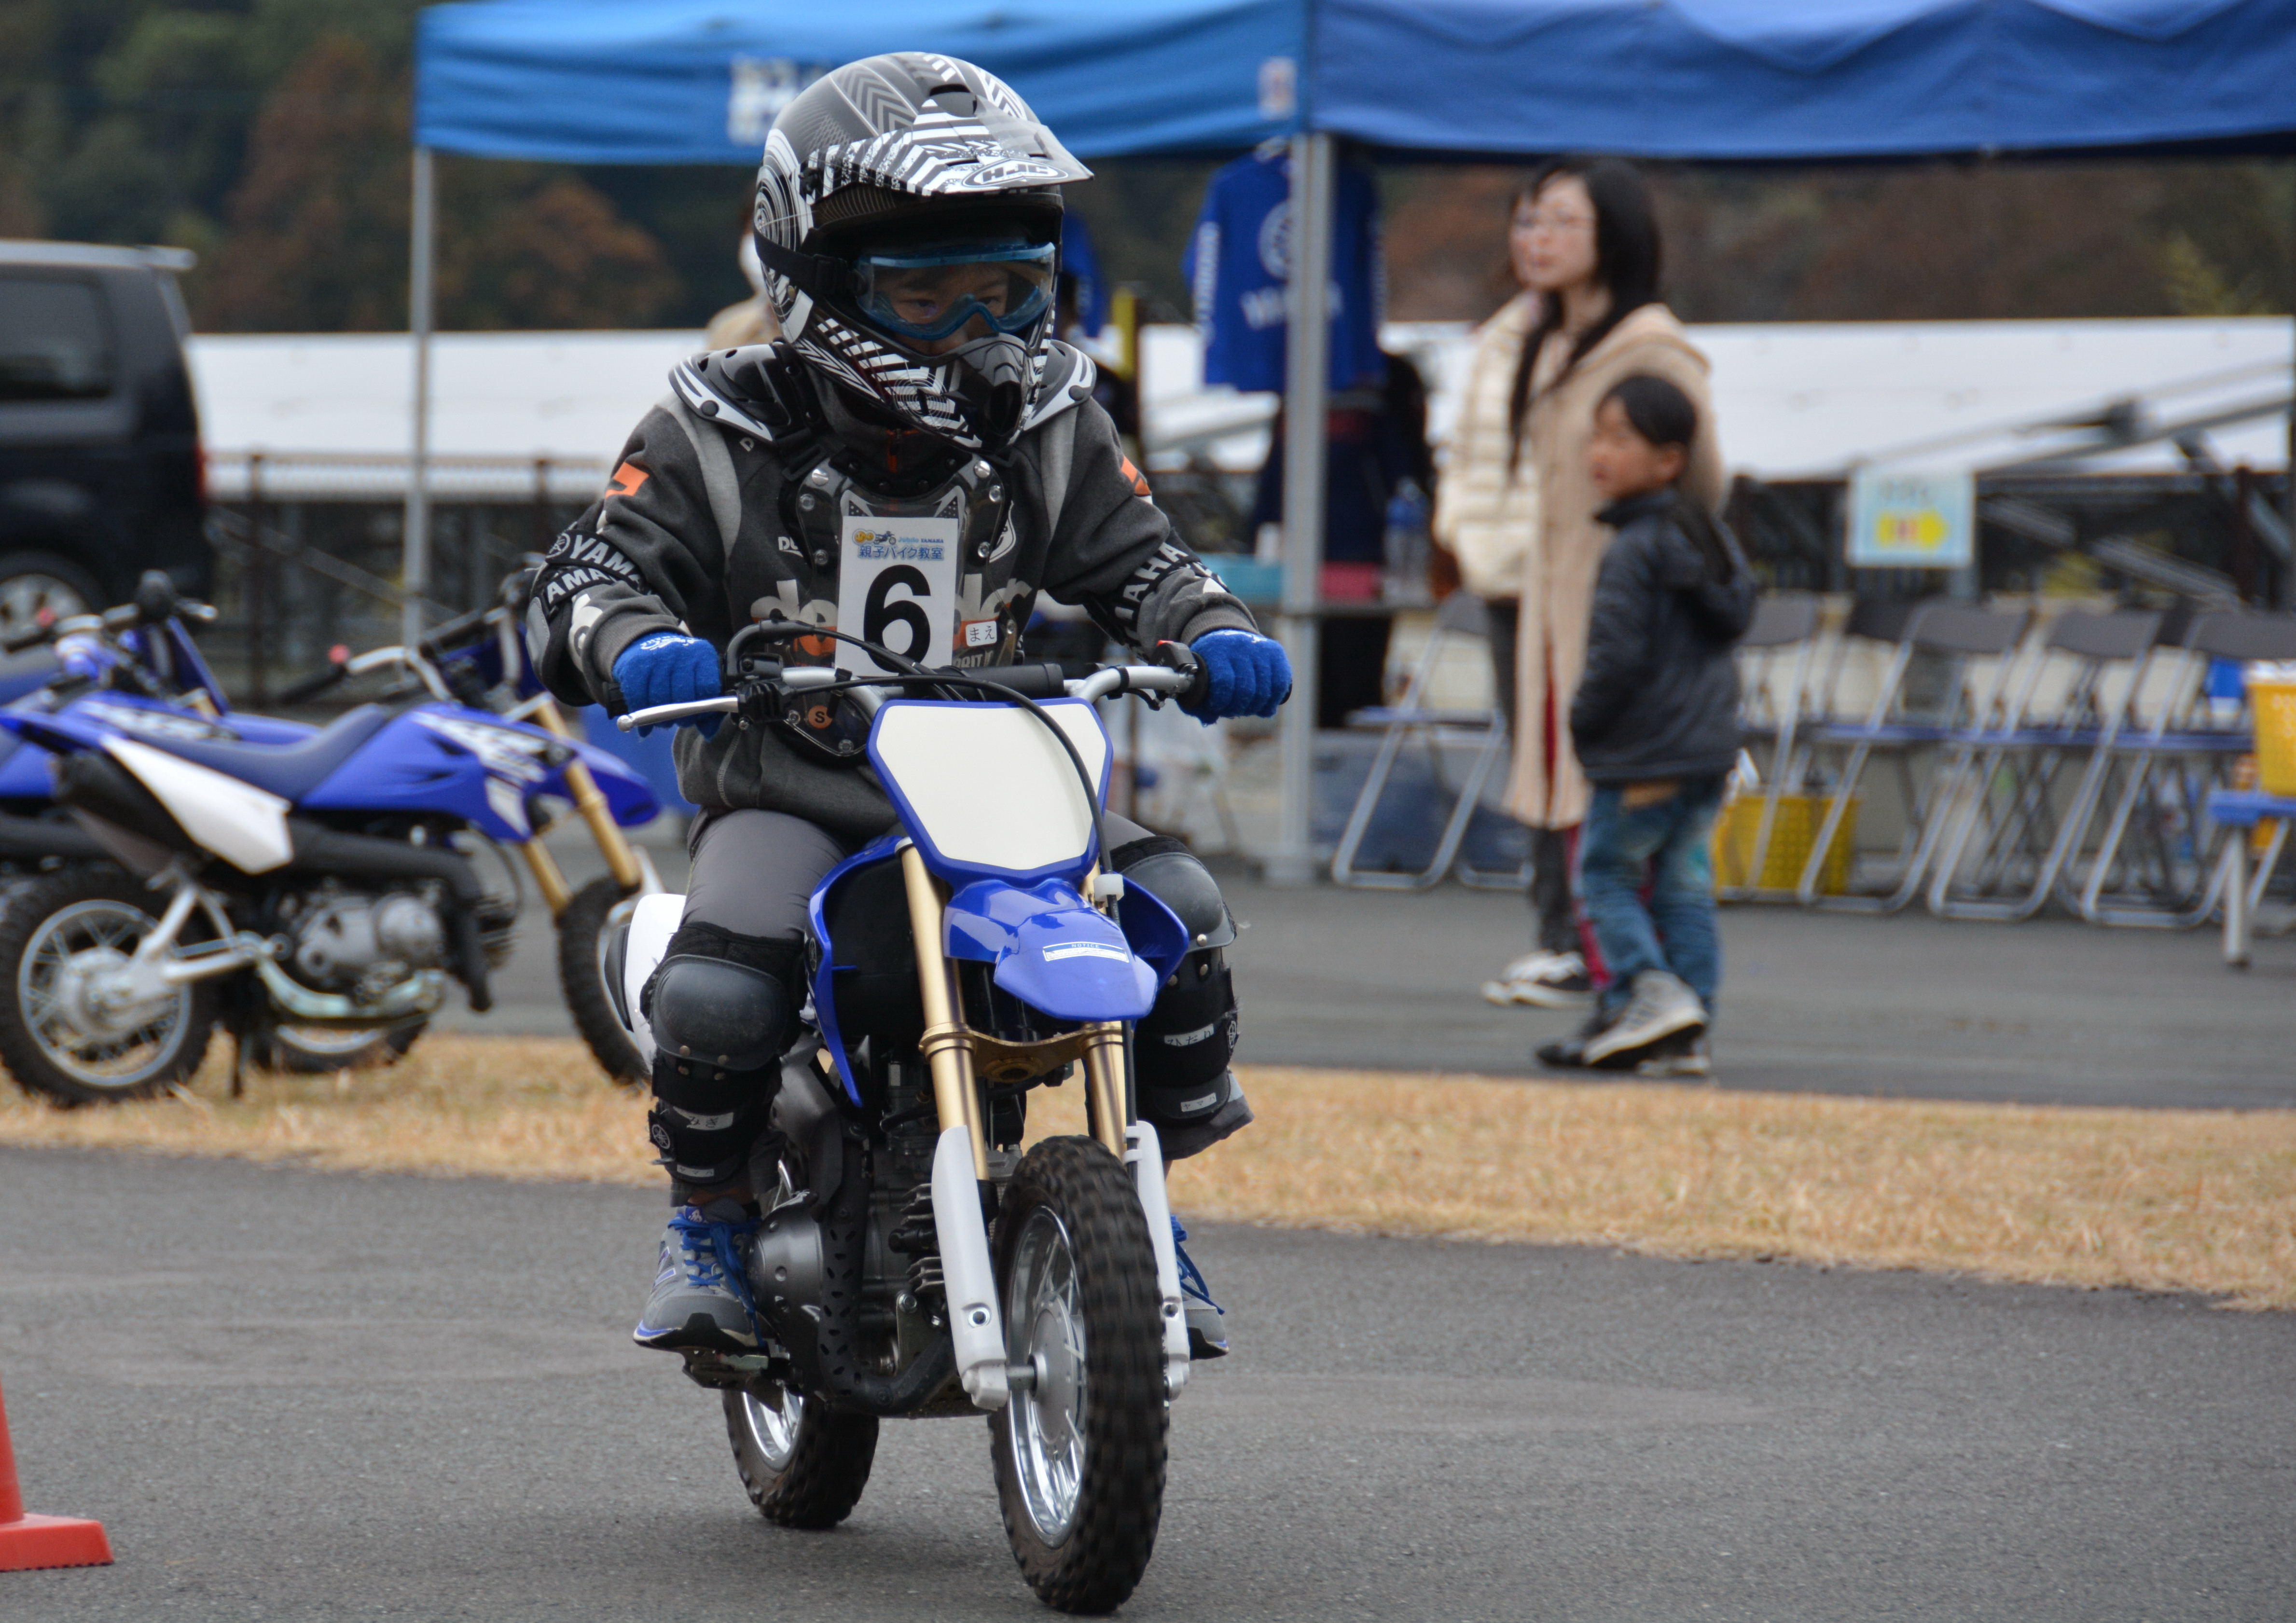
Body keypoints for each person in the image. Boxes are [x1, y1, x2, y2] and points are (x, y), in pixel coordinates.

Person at [524, 54, 1291, 1363]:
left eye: (1007, 291)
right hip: (795, 782)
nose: (974, 329)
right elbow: (596, 569)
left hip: (1005, 777)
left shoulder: (1047, 414)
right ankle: (703, 1218)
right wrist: (641, 643)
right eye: (924, 295)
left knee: (1184, 922)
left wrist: (1209, 625)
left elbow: (1143, 556)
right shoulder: (716, 422)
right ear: (817, 280)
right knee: (720, 980)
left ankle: (1141, 1202)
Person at [1471, 157, 1724, 1013]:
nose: (1533, 239)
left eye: (1558, 222)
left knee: (1629, 825)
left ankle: (1657, 995)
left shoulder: (1650, 347)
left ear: (1612, 235)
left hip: (1629, 616)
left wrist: (1659, 587)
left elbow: (1703, 486)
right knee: (1584, 808)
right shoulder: (1542, 342)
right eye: (1526, 220)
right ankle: (1630, 995)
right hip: (1555, 609)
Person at [1537, 374, 1752, 1076]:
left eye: (1619, 438)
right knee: (1684, 887)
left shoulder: (1633, 548)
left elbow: (1615, 656)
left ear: (1668, 460)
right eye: (1595, 435)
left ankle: (1646, 993)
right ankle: (1690, 1026)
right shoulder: (1708, 538)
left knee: (1604, 875)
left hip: (1642, 754)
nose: (1599, 451)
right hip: (1706, 751)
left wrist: (1583, 723)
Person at [1249, 351, 1435, 726]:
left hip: (1366, 556)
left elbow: (1410, 468)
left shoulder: (1388, 376)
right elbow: (1274, 469)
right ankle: (1327, 764)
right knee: (1312, 678)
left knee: (1357, 678)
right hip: (1308, 555)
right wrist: (1261, 532)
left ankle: (1350, 767)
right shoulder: (1297, 370)